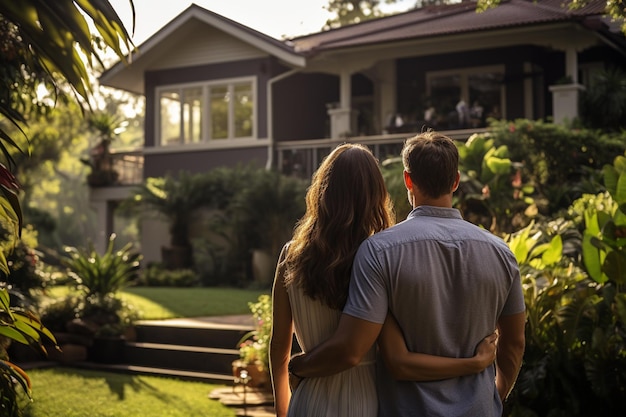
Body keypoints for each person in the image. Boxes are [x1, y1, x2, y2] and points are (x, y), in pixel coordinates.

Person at [288, 132, 526, 416]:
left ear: (407, 180)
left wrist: (298, 365)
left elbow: (357, 348)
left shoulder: (380, 251)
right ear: (456, 181)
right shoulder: (501, 253)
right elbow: (514, 343)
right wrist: (494, 397)